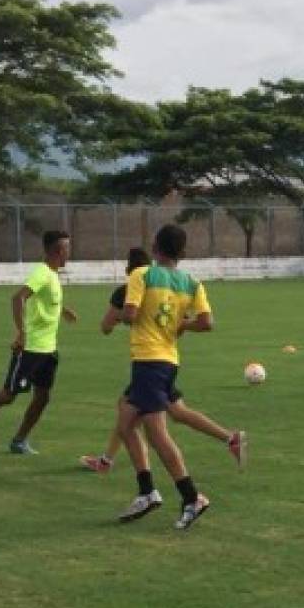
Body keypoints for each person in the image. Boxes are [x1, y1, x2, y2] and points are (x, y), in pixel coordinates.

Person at [79, 247, 246, 474]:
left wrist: (121, 318)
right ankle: (230, 438)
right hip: (167, 361)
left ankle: (165, 488)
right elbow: (185, 324)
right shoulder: (169, 286)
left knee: (144, 423)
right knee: (175, 412)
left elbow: (106, 326)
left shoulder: (126, 290)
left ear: (129, 269)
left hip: (149, 362)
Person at [115, 225, 214, 530]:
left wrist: (114, 316)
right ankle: (146, 491)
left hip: (148, 360)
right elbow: (207, 322)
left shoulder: (141, 275)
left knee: (157, 434)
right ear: (182, 252)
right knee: (125, 424)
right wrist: (181, 325)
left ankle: (191, 496)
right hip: (168, 361)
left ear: (155, 246)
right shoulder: (192, 283)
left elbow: (130, 315)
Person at [0, 230, 77, 454]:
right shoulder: (42, 273)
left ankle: (19, 440)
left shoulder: (52, 275)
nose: (68, 254)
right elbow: (18, 297)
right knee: (8, 395)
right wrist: (21, 333)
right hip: (31, 348)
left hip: (48, 350)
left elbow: (44, 302)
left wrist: (62, 310)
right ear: (58, 251)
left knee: (42, 397)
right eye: (67, 249)